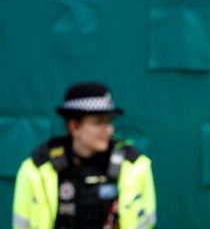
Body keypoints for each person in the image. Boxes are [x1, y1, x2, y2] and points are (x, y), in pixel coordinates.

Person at [13, 83, 156, 229]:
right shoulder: (36, 168)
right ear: (74, 127)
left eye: (110, 121)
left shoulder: (135, 165)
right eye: (99, 122)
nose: (109, 129)